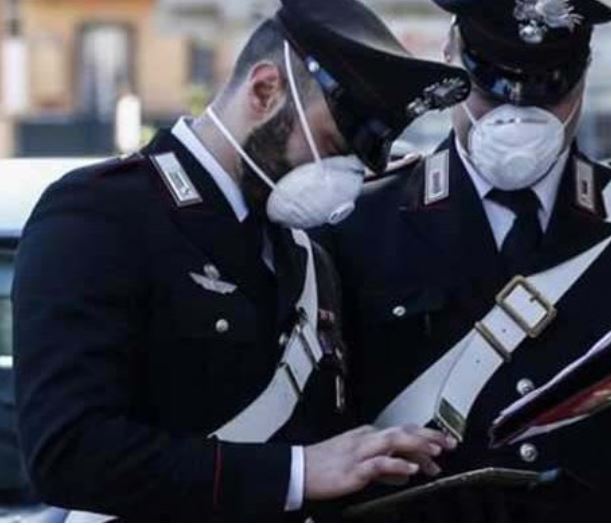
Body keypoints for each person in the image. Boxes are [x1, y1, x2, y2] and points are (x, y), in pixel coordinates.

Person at [313, 0, 611, 521]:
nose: (520, 114)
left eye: (547, 88)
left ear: (582, 78)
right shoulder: (355, 222)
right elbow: (306, 441)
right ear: (450, 60)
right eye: (493, 87)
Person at [12, 0, 471, 521]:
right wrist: (296, 473)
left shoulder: (306, 255)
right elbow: (69, 453)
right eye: (328, 144)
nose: (341, 179)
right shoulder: (103, 214)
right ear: (264, 90)